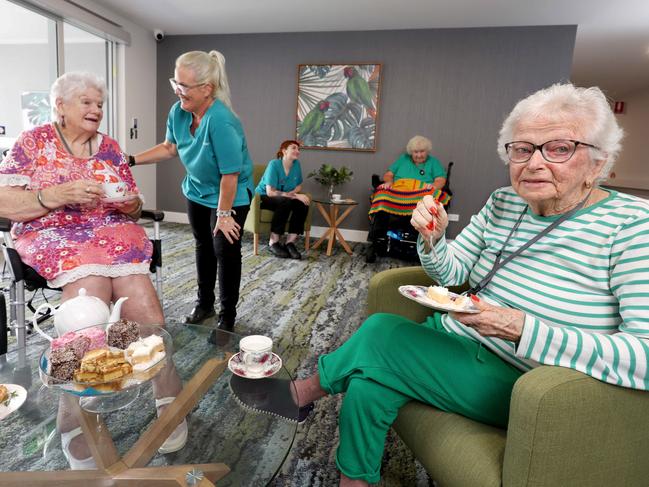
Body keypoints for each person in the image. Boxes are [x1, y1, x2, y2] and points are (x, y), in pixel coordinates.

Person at [235, 84, 649, 486]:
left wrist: (522, 328)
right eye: (522, 149)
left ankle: (300, 394)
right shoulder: (503, 201)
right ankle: (353, 481)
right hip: (453, 338)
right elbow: (452, 273)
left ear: (599, 161)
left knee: (380, 330)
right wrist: (433, 240)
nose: (534, 163)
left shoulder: (632, 227)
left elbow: (644, 355)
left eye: (560, 148)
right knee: (364, 387)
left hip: (525, 382)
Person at [0, 72, 186, 468]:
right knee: (90, 300)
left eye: (99, 103)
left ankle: (164, 388)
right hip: (55, 233)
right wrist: (52, 196)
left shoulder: (111, 148)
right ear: (60, 106)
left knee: (141, 301)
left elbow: (134, 203)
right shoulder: (32, 143)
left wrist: (130, 205)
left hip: (112, 231)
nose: (96, 109)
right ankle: (75, 412)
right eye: (85, 102)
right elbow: (4, 201)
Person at [130, 50, 254, 331]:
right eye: (176, 83)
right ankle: (205, 303)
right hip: (197, 191)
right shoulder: (179, 112)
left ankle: (227, 317)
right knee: (203, 245)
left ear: (206, 89)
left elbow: (230, 174)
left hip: (229, 193)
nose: (177, 91)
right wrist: (131, 160)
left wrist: (224, 214)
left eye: (183, 86)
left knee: (225, 249)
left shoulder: (221, 120)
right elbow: (169, 147)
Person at [366, 135, 447, 263]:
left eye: (422, 151)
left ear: (427, 151)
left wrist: (431, 187)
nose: (419, 155)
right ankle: (375, 238)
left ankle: (421, 245)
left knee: (430, 197)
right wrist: (389, 182)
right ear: (411, 152)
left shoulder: (433, 162)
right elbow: (388, 174)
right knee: (381, 192)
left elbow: (440, 180)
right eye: (416, 152)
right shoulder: (403, 159)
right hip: (399, 192)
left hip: (420, 193)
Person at [255, 140, 310, 259]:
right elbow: (270, 192)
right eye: (294, 148)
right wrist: (294, 195)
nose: (297, 151)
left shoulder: (296, 165)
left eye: (298, 149)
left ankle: (290, 243)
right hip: (264, 197)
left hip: (285, 197)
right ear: (284, 151)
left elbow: (299, 185)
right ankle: (273, 242)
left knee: (302, 204)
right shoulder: (274, 164)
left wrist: (293, 193)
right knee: (285, 202)